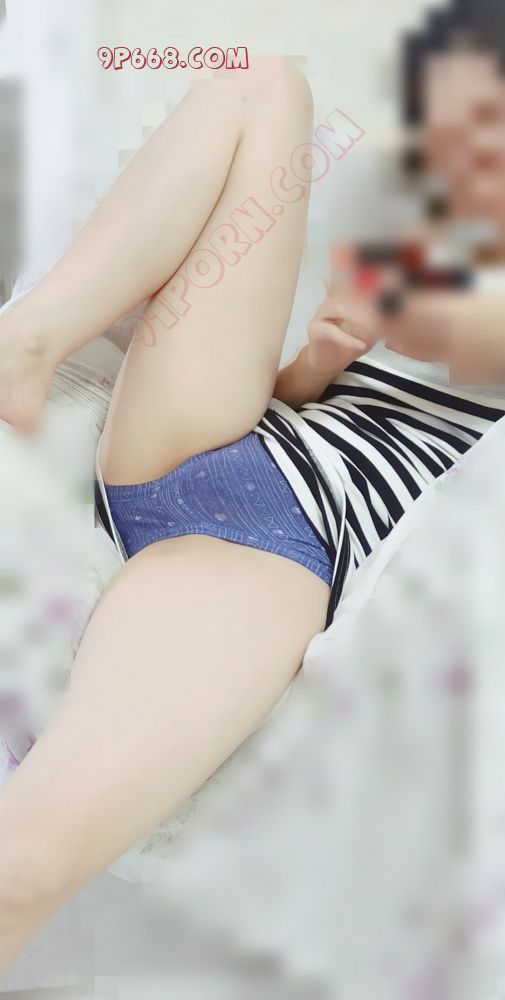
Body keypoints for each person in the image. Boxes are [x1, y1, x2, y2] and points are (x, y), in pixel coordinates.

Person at [0, 34, 503, 972]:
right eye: (450, 127)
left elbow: (469, 327)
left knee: (23, 869)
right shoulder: (426, 245)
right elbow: (308, 395)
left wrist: (406, 303)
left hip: (265, 543)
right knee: (257, 83)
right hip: (210, 438)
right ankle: (29, 337)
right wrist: (323, 355)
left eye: (489, 122)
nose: (464, 152)